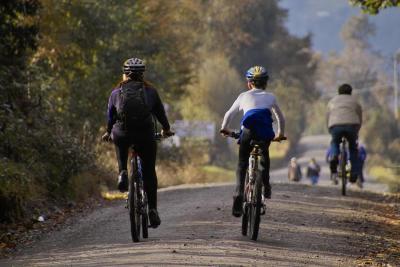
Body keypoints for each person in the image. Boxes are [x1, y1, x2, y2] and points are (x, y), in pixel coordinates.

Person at [101, 58, 174, 228]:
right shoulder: (151, 91)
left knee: (121, 147)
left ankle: (122, 173)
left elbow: (110, 116)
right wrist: (166, 130)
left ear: (125, 73)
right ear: (143, 74)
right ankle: (153, 210)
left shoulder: (115, 92)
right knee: (149, 171)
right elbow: (161, 114)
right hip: (145, 134)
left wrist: (108, 131)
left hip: (122, 133)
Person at [220, 66, 285, 217]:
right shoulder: (270, 97)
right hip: (265, 133)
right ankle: (266, 185)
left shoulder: (243, 96)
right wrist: (280, 134)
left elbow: (229, 114)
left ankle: (238, 194)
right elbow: (280, 118)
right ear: (266, 83)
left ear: (249, 83)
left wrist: (224, 129)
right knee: (264, 156)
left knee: (242, 163)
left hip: (247, 132)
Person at [327, 83, 362, 184]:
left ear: (339, 92)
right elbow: (360, 117)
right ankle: (354, 172)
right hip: (352, 126)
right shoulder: (355, 101)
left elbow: (327, 116)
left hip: (335, 125)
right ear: (350, 92)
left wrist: (330, 129)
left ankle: (334, 156)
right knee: (353, 148)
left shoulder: (332, 101)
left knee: (334, 142)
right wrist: (357, 130)